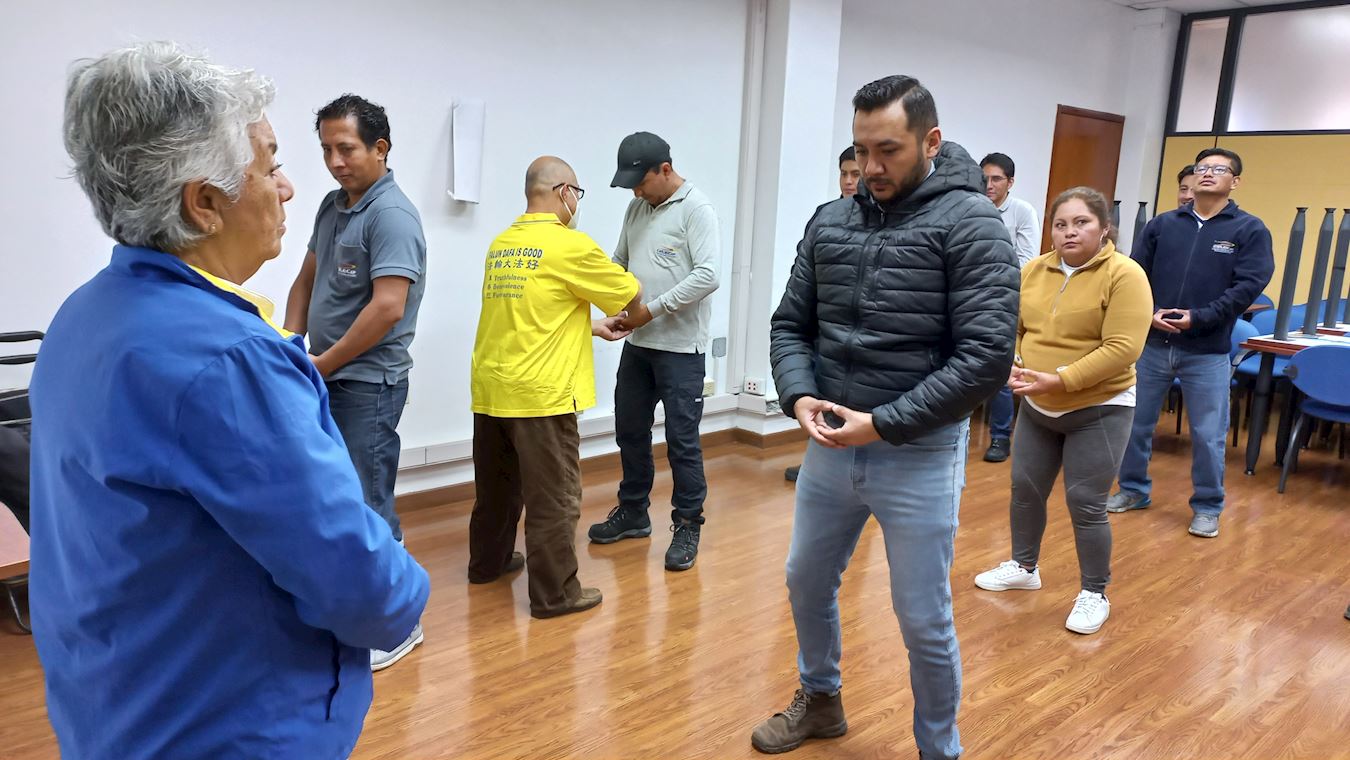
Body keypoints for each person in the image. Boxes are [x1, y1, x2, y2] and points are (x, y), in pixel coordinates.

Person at [30, 42, 429, 758]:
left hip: (114, 705)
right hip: (228, 726)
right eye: (271, 166)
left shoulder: (82, 317)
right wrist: (409, 588)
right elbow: (366, 588)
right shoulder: (229, 360)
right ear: (205, 203)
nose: (288, 187)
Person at [753, 75, 1018, 760]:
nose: (870, 167)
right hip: (832, 444)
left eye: (888, 150)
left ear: (931, 141)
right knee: (805, 580)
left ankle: (939, 748)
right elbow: (790, 325)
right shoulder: (831, 220)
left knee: (922, 617)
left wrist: (885, 422)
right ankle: (821, 699)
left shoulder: (972, 224)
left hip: (918, 451)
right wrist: (798, 396)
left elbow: (986, 357)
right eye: (861, 150)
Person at [283, 94, 427, 670]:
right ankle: (360, 607)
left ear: (380, 148)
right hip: (326, 373)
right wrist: (290, 346)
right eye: (326, 150)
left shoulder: (392, 217)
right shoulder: (332, 205)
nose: (334, 161)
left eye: (345, 149)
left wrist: (322, 364)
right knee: (339, 498)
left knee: (369, 501)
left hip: (368, 382)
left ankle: (401, 623)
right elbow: (305, 281)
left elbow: (388, 307)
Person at [973, 186, 1152, 635]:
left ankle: (1094, 592)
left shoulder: (1125, 275)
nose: (1069, 232)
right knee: (1025, 489)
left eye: (1081, 222)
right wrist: (1014, 360)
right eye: (1060, 224)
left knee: (1085, 503)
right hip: (1039, 404)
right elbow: (1014, 326)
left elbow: (1123, 348)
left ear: (1104, 228)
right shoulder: (1034, 270)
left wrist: (1061, 378)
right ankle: (1024, 567)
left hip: (1099, 407)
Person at [470, 156, 642, 618]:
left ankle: (487, 563)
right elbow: (630, 294)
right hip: (541, 396)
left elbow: (531, 315)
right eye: (577, 194)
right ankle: (556, 594)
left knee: (498, 489)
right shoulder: (569, 245)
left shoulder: (502, 244)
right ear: (565, 192)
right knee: (555, 499)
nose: (577, 203)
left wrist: (590, 326)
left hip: (492, 388)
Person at [1106, 148, 1274, 538]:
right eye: (1202, 168)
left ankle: (1208, 506)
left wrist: (1199, 317)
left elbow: (1247, 287)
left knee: (1208, 435)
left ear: (1235, 181)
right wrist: (1149, 312)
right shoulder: (1163, 225)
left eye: (1219, 169)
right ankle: (1133, 489)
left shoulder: (1249, 230)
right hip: (1152, 345)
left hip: (1207, 351)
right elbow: (1135, 274)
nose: (1208, 173)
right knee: (1134, 424)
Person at [586, 133, 720, 571]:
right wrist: (611, 303)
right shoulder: (637, 209)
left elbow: (708, 276)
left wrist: (651, 310)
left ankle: (687, 524)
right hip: (638, 346)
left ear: (665, 169)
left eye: (641, 183)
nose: (636, 193)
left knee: (682, 441)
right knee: (629, 429)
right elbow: (619, 263)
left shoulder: (696, 209)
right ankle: (633, 512)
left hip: (681, 349)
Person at [787, 146, 867, 484]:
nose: (848, 181)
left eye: (855, 174)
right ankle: (818, 451)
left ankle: (844, 453)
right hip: (824, 318)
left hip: (854, 322)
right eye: (843, 174)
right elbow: (804, 264)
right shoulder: (826, 214)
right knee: (818, 388)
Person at [980, 151, 1042, 463]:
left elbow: (1026, 262)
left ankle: (1000, 436)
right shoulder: (971, 207)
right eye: (985, 179)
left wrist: (984, 273)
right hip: (967, 298)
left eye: (996, 179)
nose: (989, 185)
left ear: (1010, 182)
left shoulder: (1022, 211)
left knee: (1000, 369)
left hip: (1003, 301)